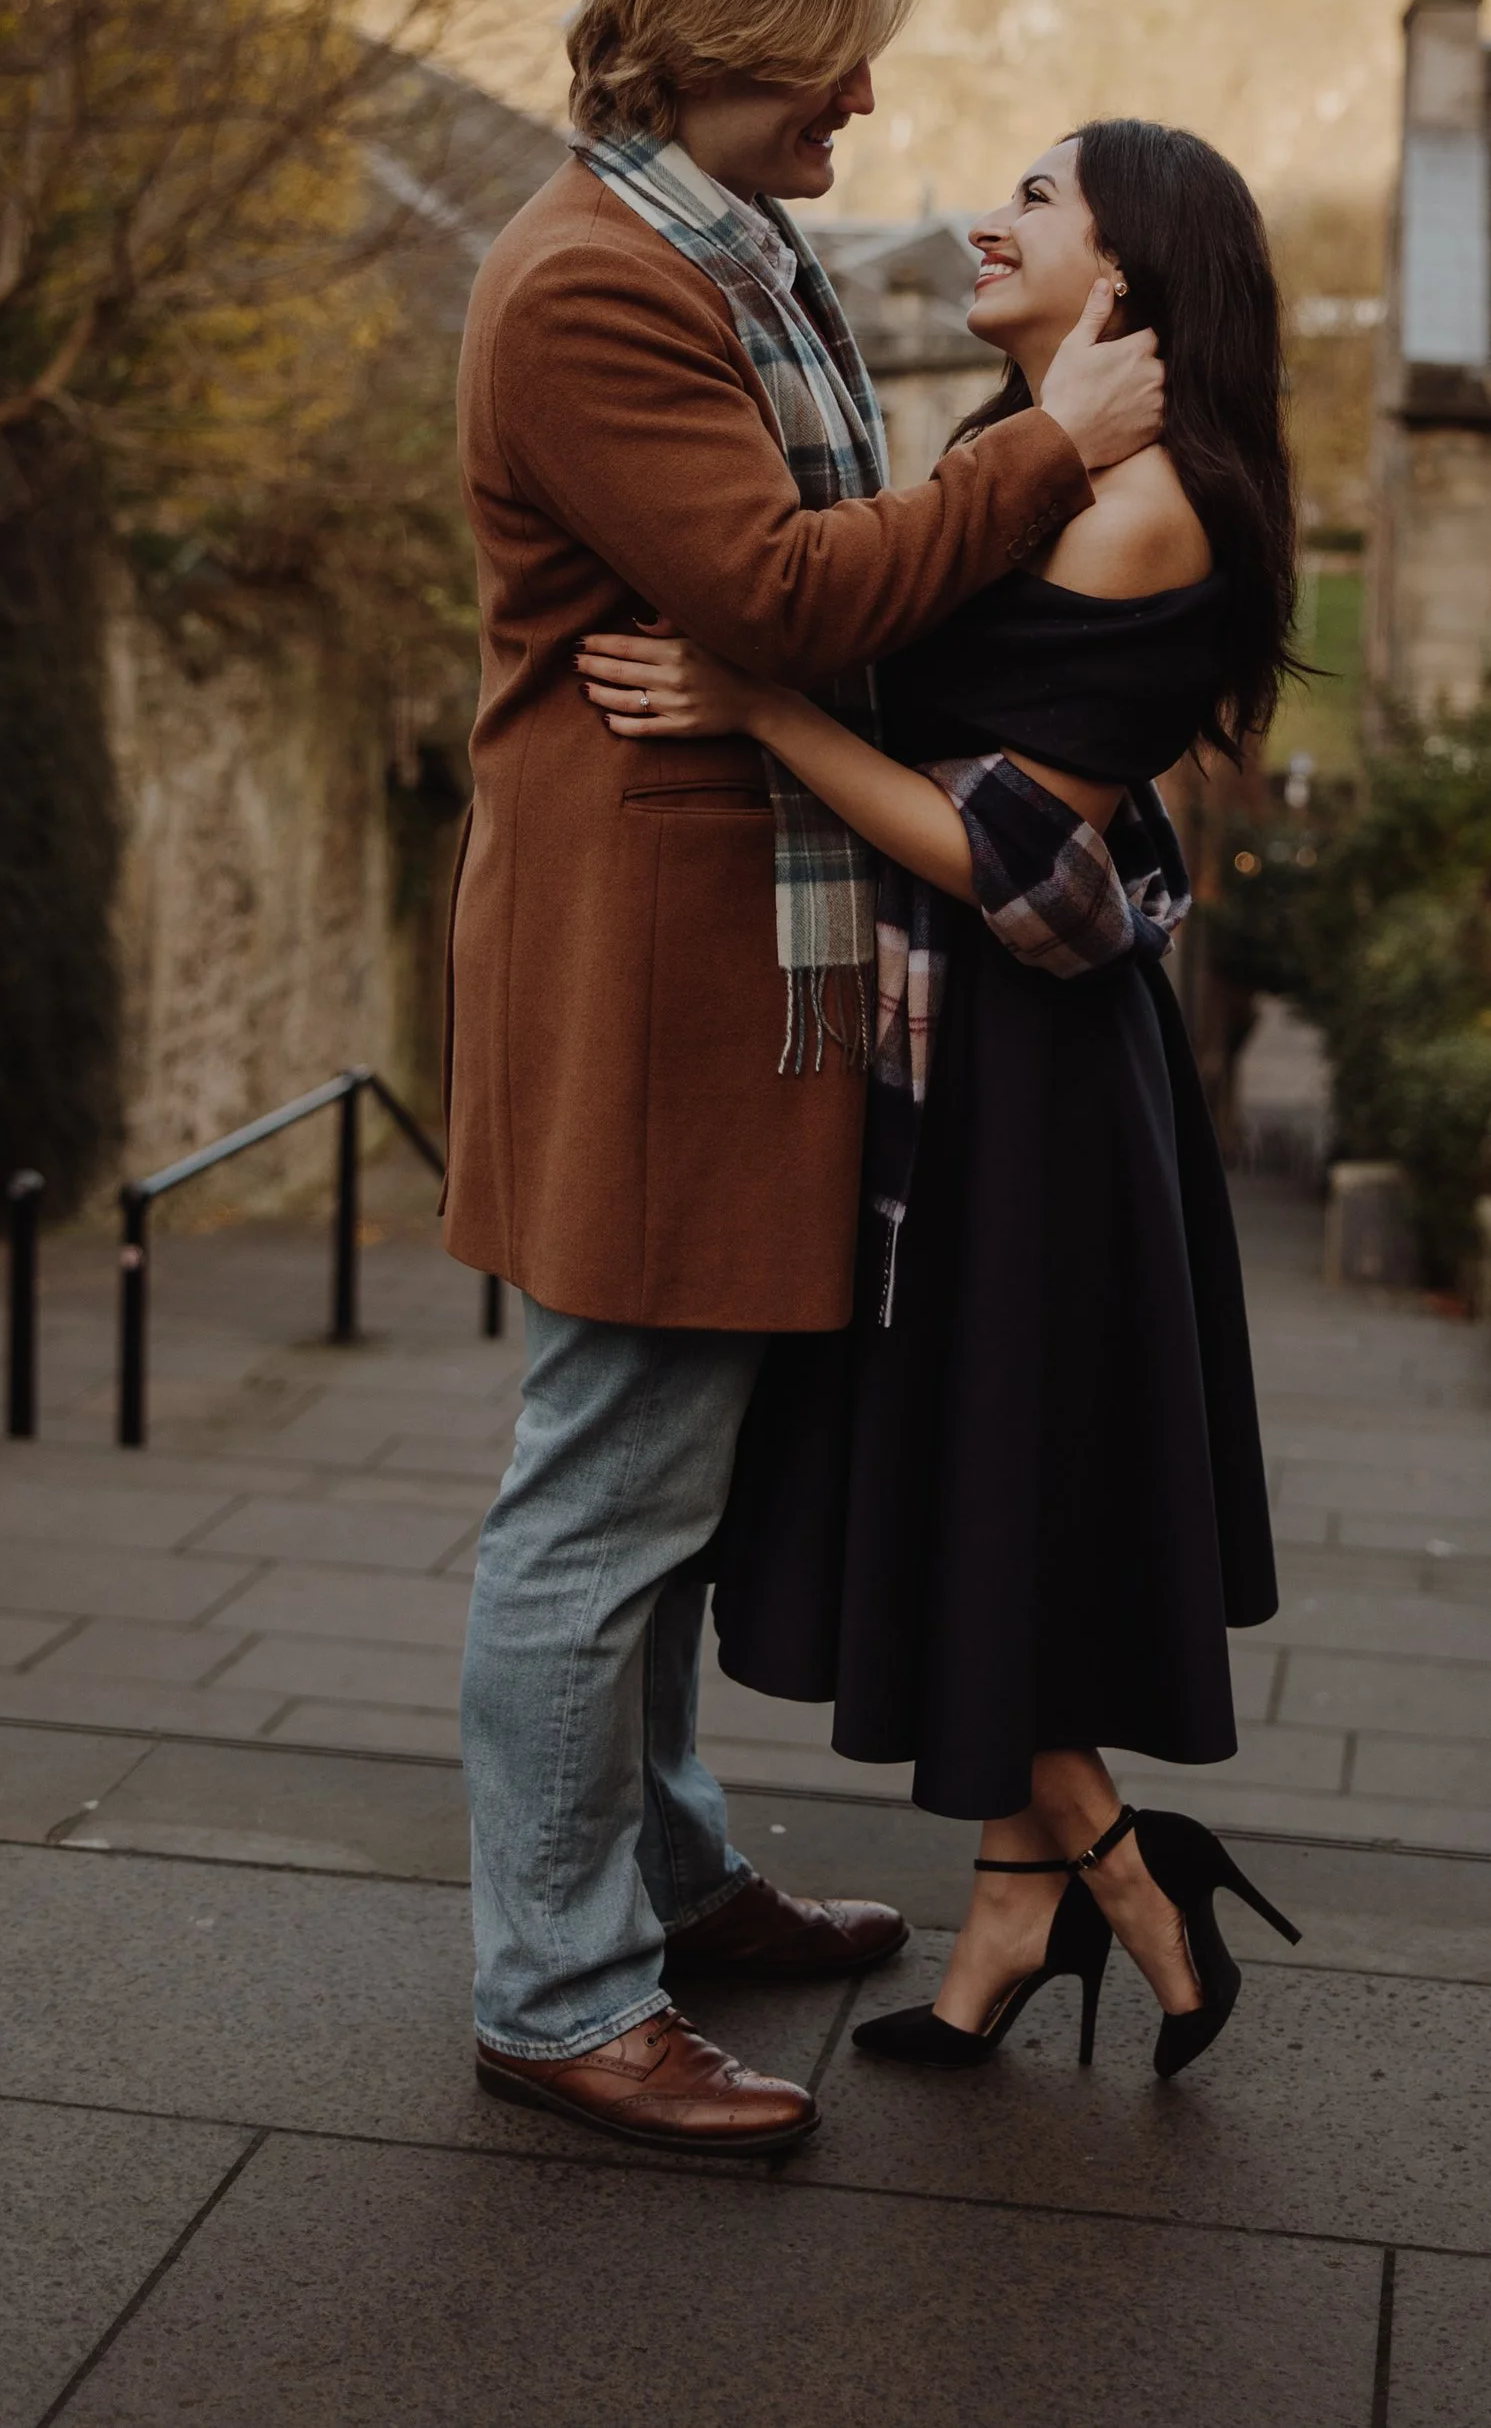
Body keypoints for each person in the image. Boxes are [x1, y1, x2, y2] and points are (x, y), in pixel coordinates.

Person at [445, 0, 1167, 2158]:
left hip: (740, 954)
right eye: (830, 55)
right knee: (599, 1500)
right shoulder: (587, 287)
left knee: (657, 1494)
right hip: (654, 980)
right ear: (730, 36)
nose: (863, 98)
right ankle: (558, 1997)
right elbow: (764, 585)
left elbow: (805, 621)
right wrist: (1059, 449)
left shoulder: (718, 253)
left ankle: (658, 1880)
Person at [576, 117, 1300, 2084]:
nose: (988, 218)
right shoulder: (1041, 451)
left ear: (1135, 272)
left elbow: (996, 852)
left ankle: (1109, 1882)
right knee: (992, 1493)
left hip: (1032, 1092)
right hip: (955, 1056)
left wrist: (759, 708)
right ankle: (1039, 1900)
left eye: (1039, 199)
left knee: (990, 1478)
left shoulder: (1155, 506)